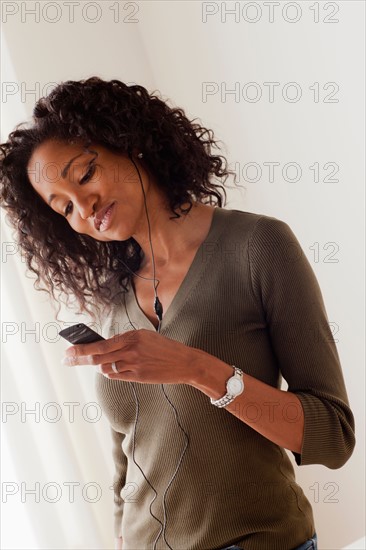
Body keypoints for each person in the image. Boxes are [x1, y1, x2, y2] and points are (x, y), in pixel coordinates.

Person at [0, 77, 355, 550]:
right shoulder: (114, 302)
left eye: (85, 175)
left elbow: (332, 435)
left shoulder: (258, 247)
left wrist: (197, 369)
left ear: (132, 145)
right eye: (63, 207)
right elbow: (127, 457)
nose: (83, 207)